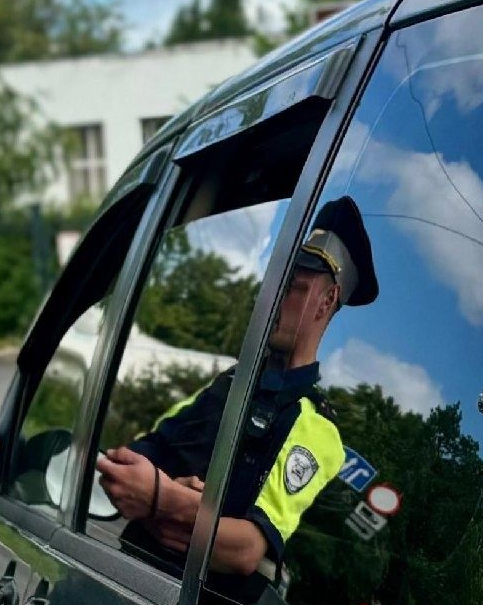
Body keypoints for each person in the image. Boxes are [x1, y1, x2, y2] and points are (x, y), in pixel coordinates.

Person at [94, 197, 375, 585]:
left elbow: (246, 550)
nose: (275, 296)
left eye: (293, 286)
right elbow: (146, 450)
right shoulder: (232, 381)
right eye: (278, 281)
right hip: (129, 576)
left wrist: (163, 500)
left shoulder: (316, 428)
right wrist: (187, 501)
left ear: (326, 301)